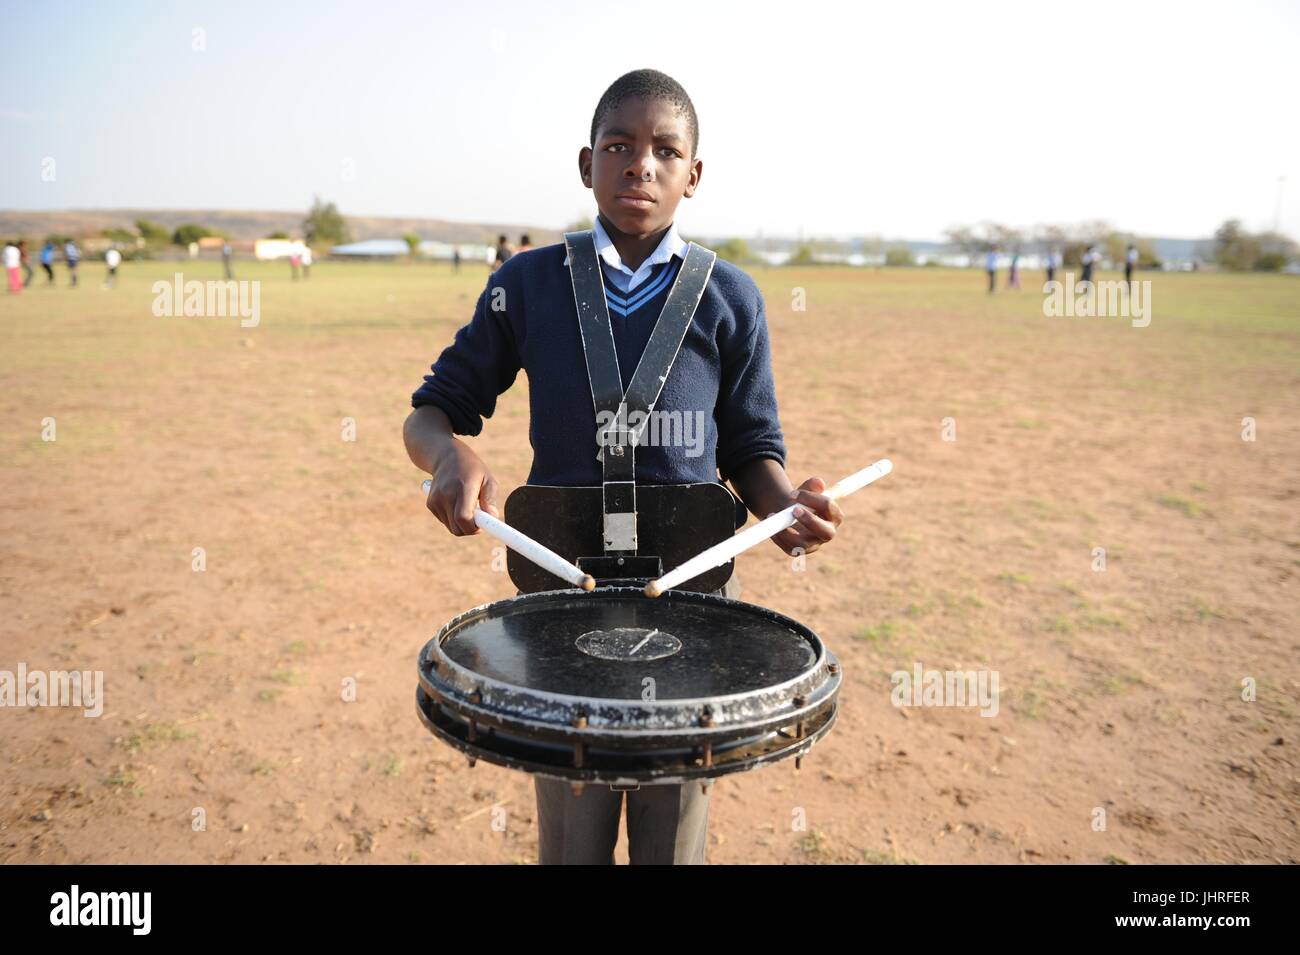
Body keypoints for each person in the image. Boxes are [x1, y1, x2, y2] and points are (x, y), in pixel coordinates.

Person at [403, 69, 843, 866]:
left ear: (693, 175)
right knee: (573, 830)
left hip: (693, 605)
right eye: (620, 146)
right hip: (559, 600)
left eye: (665, 150)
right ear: (586, 164)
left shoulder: (730, 296)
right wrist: (448, 454)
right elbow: (428, 413)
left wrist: (788, 509)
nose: (641, 165)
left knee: (673, 836)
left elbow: (750, 447)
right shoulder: (526, 285)